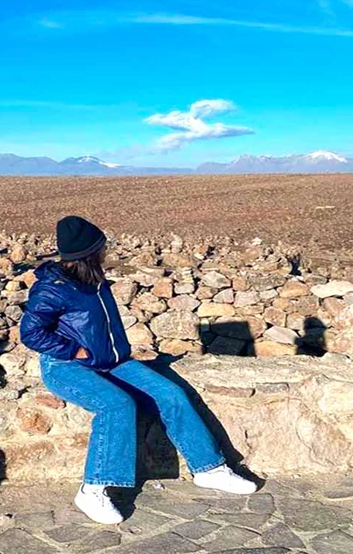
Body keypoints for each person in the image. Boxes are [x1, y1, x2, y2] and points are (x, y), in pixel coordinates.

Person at [20, 215, 256, 525]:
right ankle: (92, 490)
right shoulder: (52, 288)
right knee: (116, 405)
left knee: (170, 393)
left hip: (111, 361)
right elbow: (30, 333)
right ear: (89, 253)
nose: (106, 251)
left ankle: (209, 469)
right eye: (101, 247)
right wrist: (74, 350)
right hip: (66, 366)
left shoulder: (93, 280)